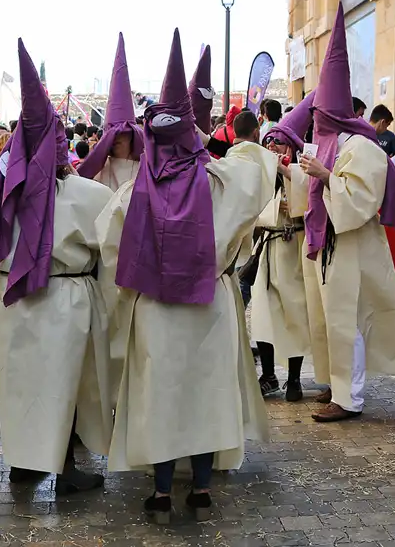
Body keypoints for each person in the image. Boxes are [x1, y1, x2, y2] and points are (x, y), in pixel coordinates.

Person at [97, 30, 273, 523]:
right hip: (208, 304)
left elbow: (110, 249)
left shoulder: (132, 194)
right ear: (192, 133)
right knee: (203, 394)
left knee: (160, 395)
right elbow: (257, 170)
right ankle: (199, 488)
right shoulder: (222, 180)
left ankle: (158, 491)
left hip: (155, 308)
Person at [0, 39, 113, 493]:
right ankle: (63, 470)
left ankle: (24, 465)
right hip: (66, 302)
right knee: (63, 386)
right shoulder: (87, 194)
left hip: (12, 302)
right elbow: (109, 247)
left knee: (20, 389)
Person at [298, 5, 395, 423]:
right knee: (331, 318)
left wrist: (326, 175)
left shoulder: (361, 148)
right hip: (333, 248)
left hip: (353, 245)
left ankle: (350, 398)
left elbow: (359, 202)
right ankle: (337, 383)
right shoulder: (333, 145)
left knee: (349, 319)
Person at [251, 92, 317, 402]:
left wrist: (286, 173)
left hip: (294, 249)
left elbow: (305, 202)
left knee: (295, 313)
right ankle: (267, 375)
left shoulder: (302, 168)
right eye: (269, 143)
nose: (273, 147)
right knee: (264, 312)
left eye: (278, 142)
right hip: (269, 247)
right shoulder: (265, 170)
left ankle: (294, 379)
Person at [77, 33, 144, 192]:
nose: (117, 137)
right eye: (113, 135)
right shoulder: (99, 171)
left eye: (123, 133)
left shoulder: (146, 171)